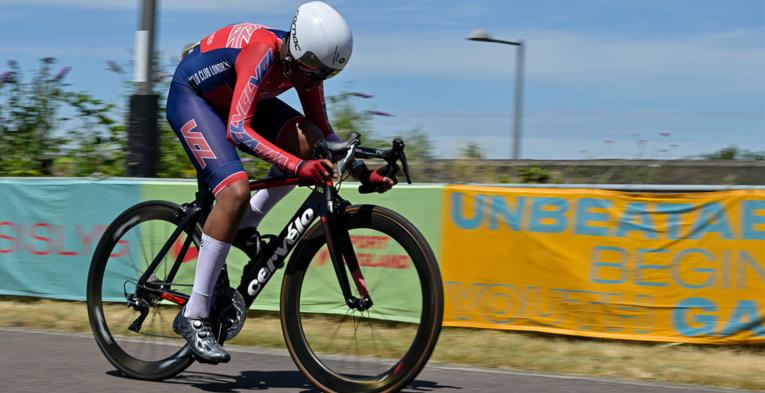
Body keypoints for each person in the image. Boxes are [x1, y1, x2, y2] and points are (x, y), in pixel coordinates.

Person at [165, 1, 395, 363]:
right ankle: (194, 314)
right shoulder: (263, 52)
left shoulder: (305, 65)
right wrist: (296, 167)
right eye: (313, 73)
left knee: (312, 143)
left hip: (236, 98)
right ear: (296, 55)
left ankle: (245, 227)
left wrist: (366, 171)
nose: (315, 83)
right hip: (194, 98)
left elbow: (327, 139)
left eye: (326, 77)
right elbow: (237, 130)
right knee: (235, 190)